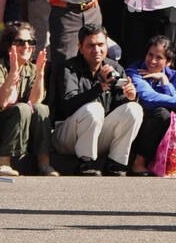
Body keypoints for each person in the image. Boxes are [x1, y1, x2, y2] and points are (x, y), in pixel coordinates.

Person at [54, 24, 143, 175]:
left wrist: (130, 97)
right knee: (94, 109)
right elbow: (68, 106)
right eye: (90, 45)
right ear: (80, 47)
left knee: (134, 109)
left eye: (101, 44)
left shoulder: (115, 68)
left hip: (96, 136)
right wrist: (99, 88)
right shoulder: (69, 68)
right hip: (66, 137)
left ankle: (116, 164)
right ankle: (86, 163)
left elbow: (119, 113)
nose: (96, 50)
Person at [0, 21, 55, 176]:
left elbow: (35, 102)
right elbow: (2, 102)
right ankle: (3, 162)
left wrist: (40, 73)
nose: (26, 46)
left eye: (30, 42)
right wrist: (14, 72)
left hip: (22, 127)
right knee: (22, 108)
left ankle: (44, 163)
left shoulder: (32, 68)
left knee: (41, 109)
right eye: (20, 42)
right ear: (9, 45)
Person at [127, 36, 176, 176]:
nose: (152, 61)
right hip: (142, 125)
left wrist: (164, 82)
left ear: (168, 62)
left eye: (159, 57)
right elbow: (148, 98)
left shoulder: (172, 76)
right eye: (150, 55)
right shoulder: (135, 71)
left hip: (166, 126)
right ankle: (139, 161)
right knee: (162, 113)